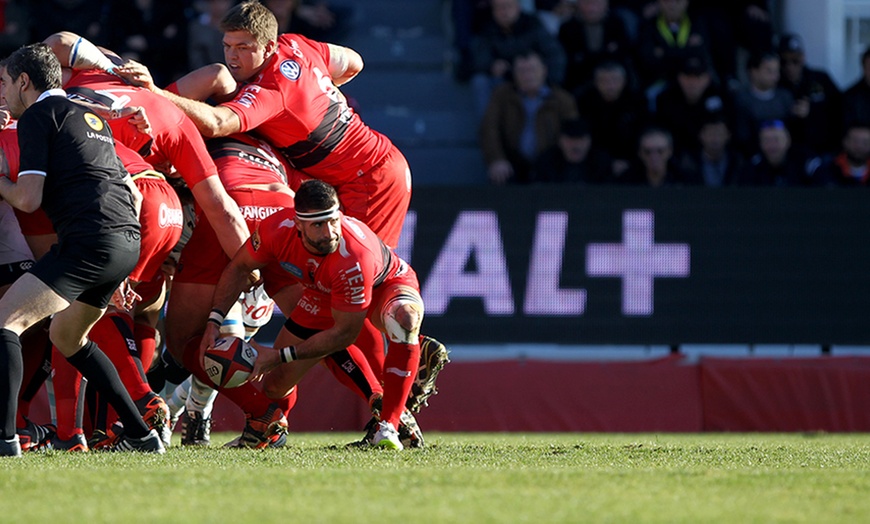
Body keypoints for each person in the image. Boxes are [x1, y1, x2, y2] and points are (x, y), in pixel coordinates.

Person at [0, 43, 163, 456]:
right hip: (126, 241)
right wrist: (123, 266)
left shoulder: (38, 116)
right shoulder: (88, 116)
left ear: (24, 81)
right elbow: (129, 190)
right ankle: (142, 436)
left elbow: (28, 199)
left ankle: (4, 440)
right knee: (67, 336)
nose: (1, 93)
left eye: (4, 83)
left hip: (87, 243)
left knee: (5, 321)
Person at [204, 180, 427, 450]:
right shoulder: (276, 230)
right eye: (318, 225)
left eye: (333, 221)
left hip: (386, 285)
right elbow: (239, 268)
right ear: (298, 224)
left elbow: (344, 334)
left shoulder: (352, 256)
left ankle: (389, 424)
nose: (329, 232)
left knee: (404, 320)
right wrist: (214, 322)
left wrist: (278, 356)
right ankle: (271, 431)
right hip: (322, 294)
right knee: (274, 387)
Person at [480, 50, 578, 185]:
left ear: (544, 70)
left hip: (551, 164)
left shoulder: (562, 99)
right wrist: (496, 159)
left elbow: (573, 133)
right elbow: (489, 128)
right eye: (521, 70)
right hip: (512, 162)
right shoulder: (502, 95)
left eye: (532, 69)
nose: (527, 75)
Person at [469, 0, 566, 116]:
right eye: (499, 8)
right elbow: (478, 58)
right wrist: (491, 65)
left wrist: (544, 78)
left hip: (534, 78)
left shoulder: (533, 24)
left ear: (518, 7)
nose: (504, 11)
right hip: (504, 80)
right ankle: (488, 129)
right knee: (480, 82)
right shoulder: (487, 29)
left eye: (508, 6)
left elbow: (554, 55)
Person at [575, 59, 647, 177]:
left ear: (624, 81)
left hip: (632, 159)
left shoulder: (636, 102)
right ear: (595, 82)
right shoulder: (585, 103)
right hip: (594, 160)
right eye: (604, 81)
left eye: (615, 80)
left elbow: (641, 133)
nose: (610, 86)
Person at [652, 50, 731, 157]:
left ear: (707, 78)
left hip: (713, 156)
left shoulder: (722, 97)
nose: (692, 82)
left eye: (698, 77)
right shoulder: (665, 100)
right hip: (675, 157)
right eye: (688, 76)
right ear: (679, 77)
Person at [776, 33, 842, 158]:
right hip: (790, 154)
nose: (790, 66)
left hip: (824, 150)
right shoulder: (777, 85)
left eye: (795, 60)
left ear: (803, 58)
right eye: (784, 61)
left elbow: (839, 108)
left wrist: (813, 111)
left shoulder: (820, 79)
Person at [634, 0, 711, 102]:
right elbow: (648, 61)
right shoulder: (649, 25)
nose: (672, 5)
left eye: (677, 1)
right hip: (659, 81)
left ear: (686, 3)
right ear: (659, 3)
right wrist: (686, 51)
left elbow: (701, 56)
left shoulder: (697, 23)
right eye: (667, 1)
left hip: (690, 78)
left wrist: (665, 52)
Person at [557, 0, 635, 94]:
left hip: (612, 74)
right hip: (580, 78)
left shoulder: (616, 23)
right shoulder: (568, 28)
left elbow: (623, 52)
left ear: (606, 5)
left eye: (596, 3)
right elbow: (568, 59)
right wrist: (605, 52)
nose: (591, 9)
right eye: (587, 3)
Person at [732, 51, 795, 157]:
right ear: (754, 71)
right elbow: (742, 136)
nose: (775, 77)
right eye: (769, 71)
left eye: (776, 71)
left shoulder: (785, 97)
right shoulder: (742, 100)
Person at [735, 120, 819, 187]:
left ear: (787, 140)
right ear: (760, 144)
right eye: (766, 140)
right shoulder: (753, 166)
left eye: (776, 140)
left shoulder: (804, 161)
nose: (772, 146)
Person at [532, 117, 612, 183]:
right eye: (570, 140)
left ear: (589, 141)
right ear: (560, 141)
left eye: (581, 140)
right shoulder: (546, 162)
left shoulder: (600, 163)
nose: (576, 145)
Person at [676, 114, 743, 187]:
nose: (715, 139)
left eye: (719, 134)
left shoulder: (738, 163)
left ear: (728, 135)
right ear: (701, 135)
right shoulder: (688, 164)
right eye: (710, 134)